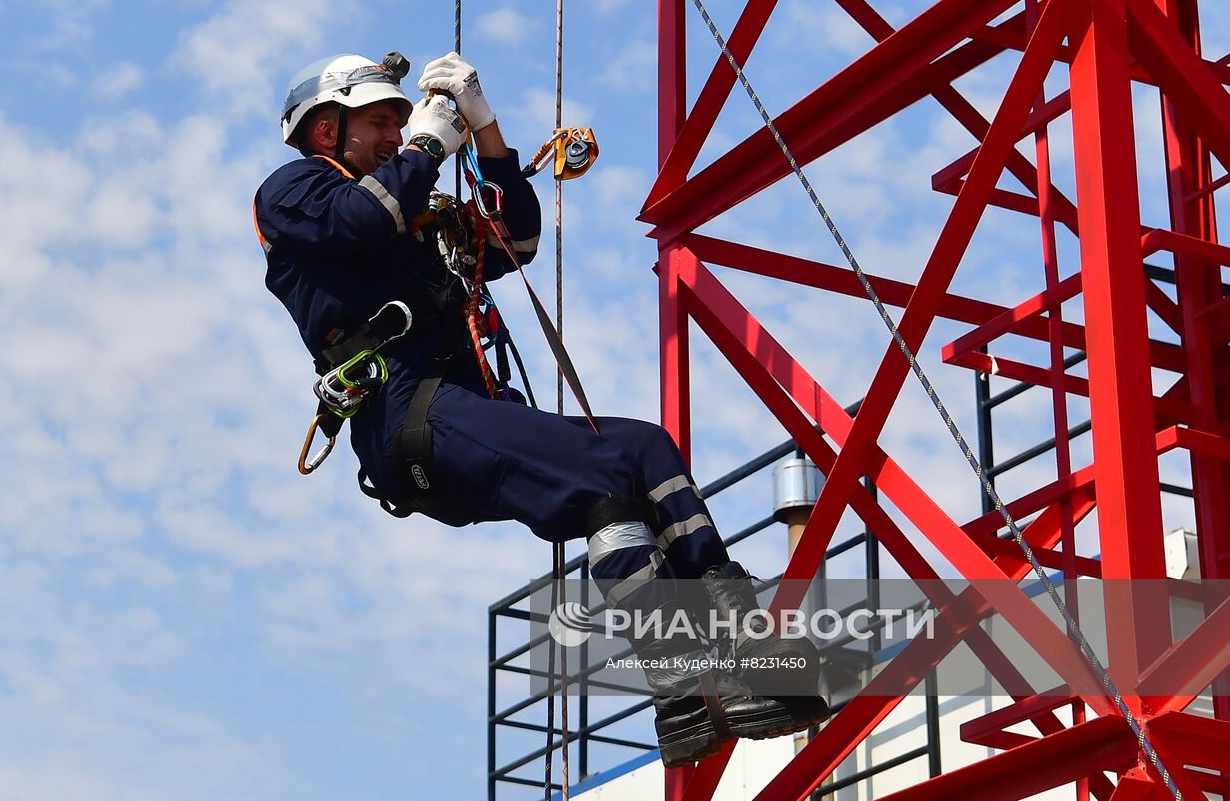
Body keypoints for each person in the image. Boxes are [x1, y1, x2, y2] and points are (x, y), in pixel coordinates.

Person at [252, 51, 827, 766]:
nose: (395, 136)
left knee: (632, 467)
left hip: (455, 414)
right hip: (408, 417)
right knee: (611, 465)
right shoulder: (294, 190)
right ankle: (732, 662)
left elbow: (515, 240)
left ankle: (690, 687)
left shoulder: (412, 213)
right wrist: (433, 142)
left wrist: (486, 132)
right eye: (378, 123)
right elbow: (360, 222)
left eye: (400, 124)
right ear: (323, 130)